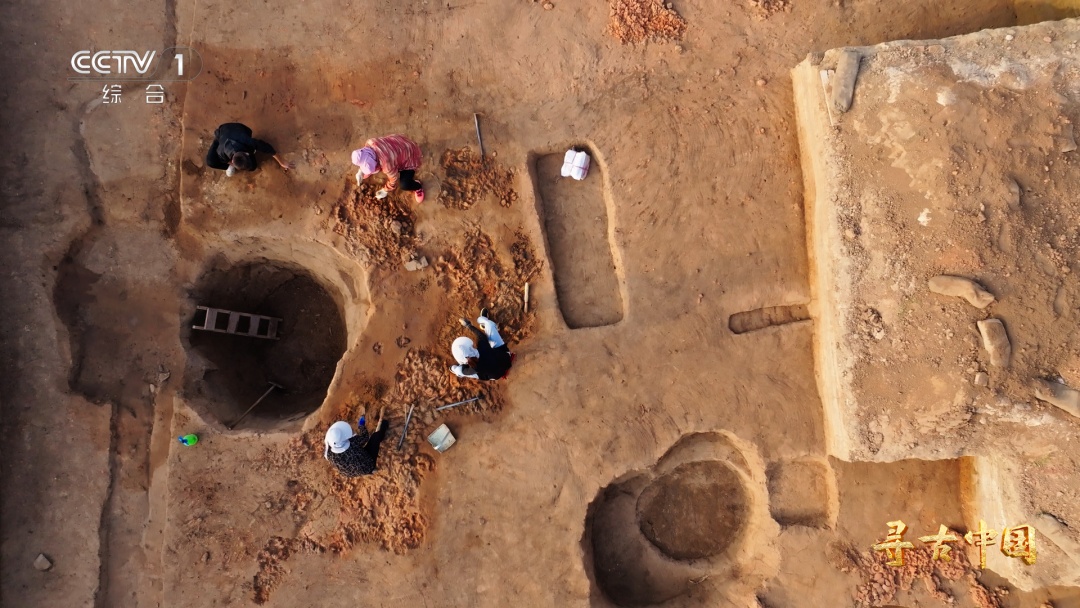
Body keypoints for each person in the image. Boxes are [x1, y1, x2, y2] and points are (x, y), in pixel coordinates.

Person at [351, 134, 425, 203]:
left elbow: (394, 179)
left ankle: (418, 187)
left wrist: (385, 190)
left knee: (405, 185)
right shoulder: (370, 143)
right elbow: (364, 158)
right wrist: (360, 171)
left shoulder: (386, 164)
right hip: (398, 143)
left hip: (409, 156)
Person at [205, 122, 293, 176]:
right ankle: (230, 165)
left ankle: (250, 152)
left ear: (247, 153)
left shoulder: (247, 141)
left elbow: (268, 148)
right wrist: (229, 163)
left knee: (252, 166)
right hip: (221, 136)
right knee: (210, 161)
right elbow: (223, 160)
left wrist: (282, 162)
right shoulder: (220, 152)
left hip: (237, 129)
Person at [450, 308, 513, 381]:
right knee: (489, 324)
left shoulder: (474, 368)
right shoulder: (483, 348)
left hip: (496, 375)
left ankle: (454, 369)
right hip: (506, 358)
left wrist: (463, 364)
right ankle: (482, 320)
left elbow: (465, 369)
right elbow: (481, 336)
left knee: (460, 371)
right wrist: (468, 325)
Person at [323, 410, 388, 477]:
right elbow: (365, 437)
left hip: (350, 473)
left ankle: (365, 471)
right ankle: (385, 424)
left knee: (357, 456)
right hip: (367, 466)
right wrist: (361, 425)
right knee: (376, 436)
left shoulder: (329, 455)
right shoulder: (353, 442)